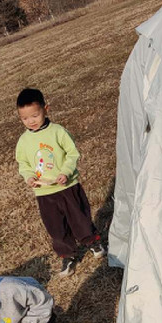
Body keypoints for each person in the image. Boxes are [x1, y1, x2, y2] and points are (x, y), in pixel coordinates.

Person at [15, 87, 104, 276]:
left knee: (78, 217)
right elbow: (23, 163)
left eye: (35, 115)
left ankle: (92, 241)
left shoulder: (57, 132)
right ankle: (67, 255)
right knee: (55, 226)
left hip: (67, 186)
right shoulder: (23, 141)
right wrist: (29, 176)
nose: (30, 121)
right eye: (25, 118)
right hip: (44, 192)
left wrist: (65, 172)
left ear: (46, 109)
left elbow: (72, 153)